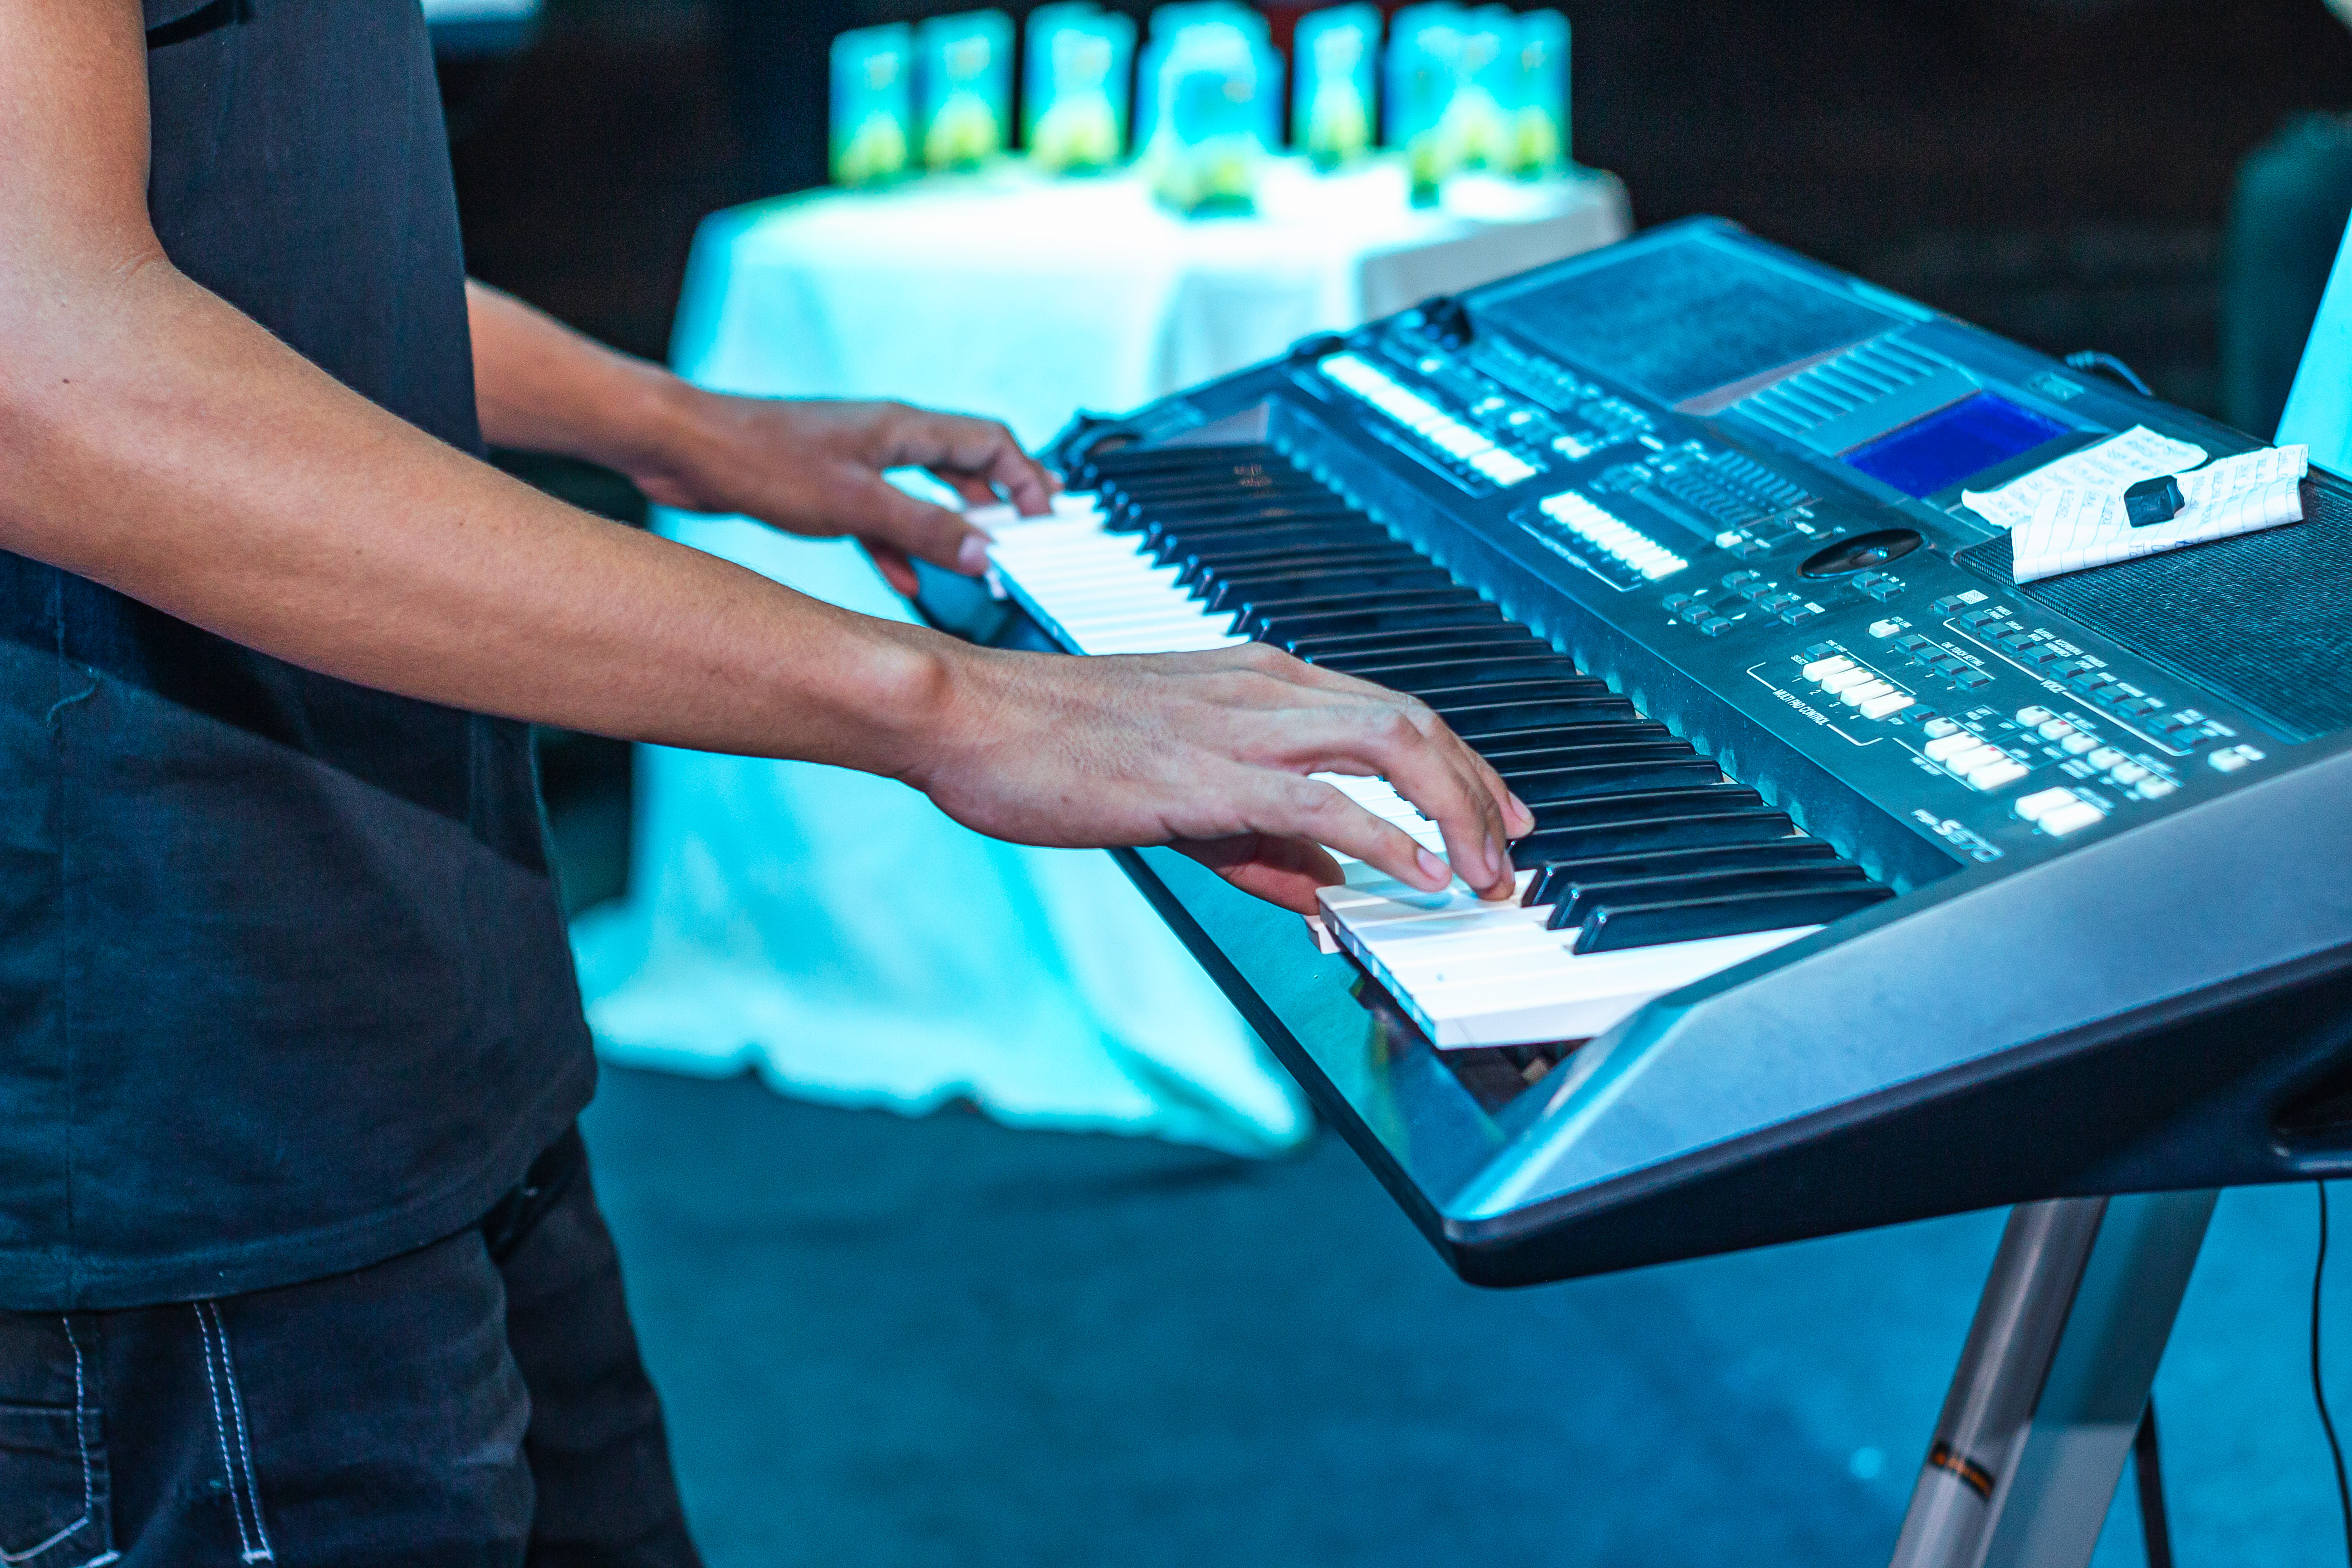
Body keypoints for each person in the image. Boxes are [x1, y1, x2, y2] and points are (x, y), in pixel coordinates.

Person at [0, 1, 1530, 1563]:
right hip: (174, 1095)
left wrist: (679, 429)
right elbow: (45, 379)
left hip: (418, 998)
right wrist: (952, 705)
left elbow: (238, 252)